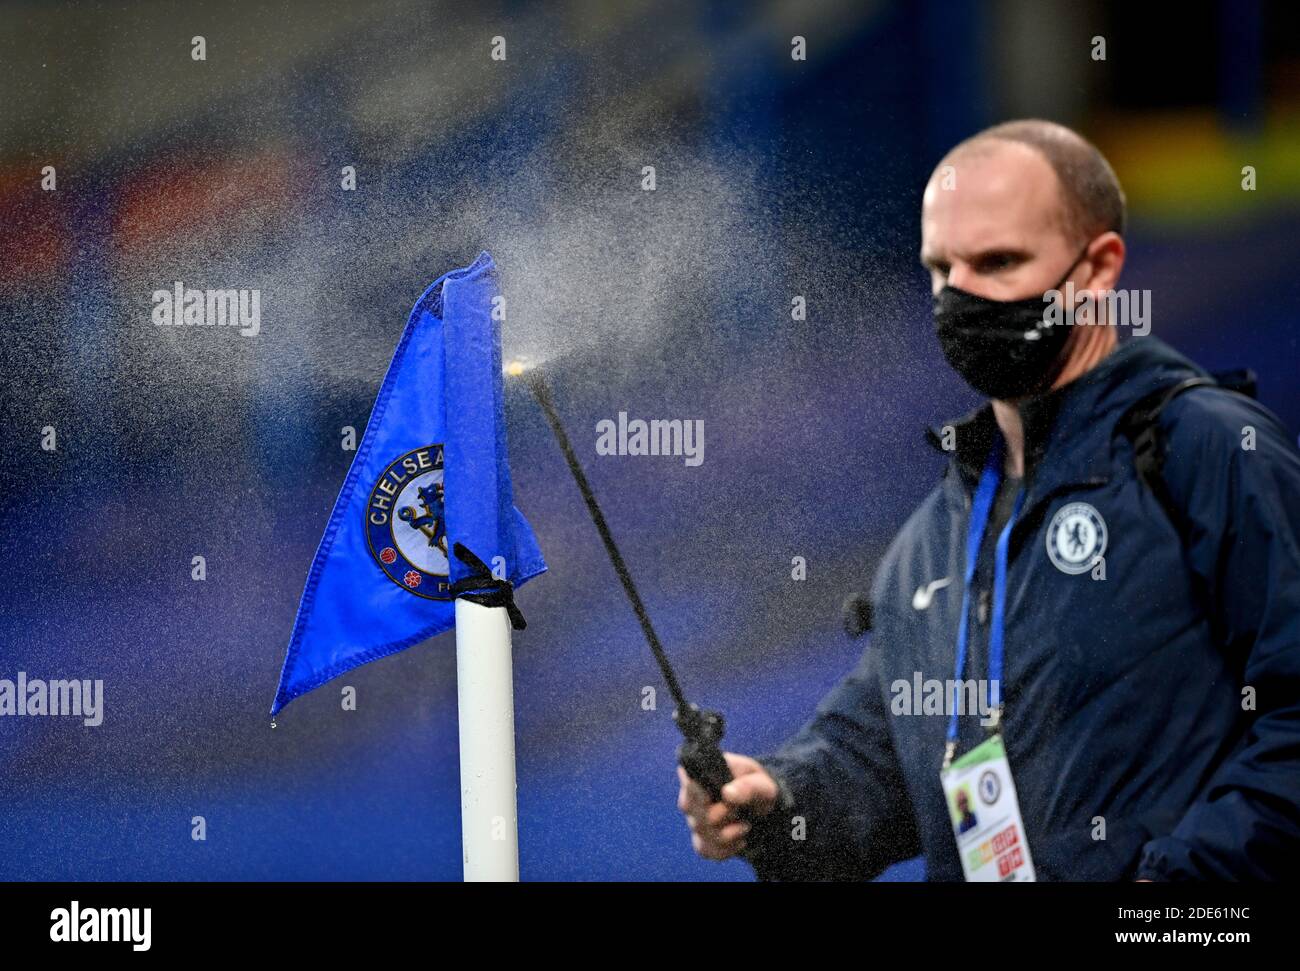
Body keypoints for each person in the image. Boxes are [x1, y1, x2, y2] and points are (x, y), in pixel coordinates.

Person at [677, 119, 1300, 881]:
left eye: (998, 262)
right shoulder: (935, 536)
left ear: (1099, 267)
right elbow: (878, 763)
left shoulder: (1206, 452)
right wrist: (777, 800)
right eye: (942, 269)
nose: (959, 296)